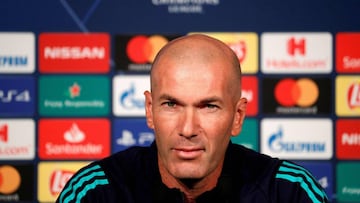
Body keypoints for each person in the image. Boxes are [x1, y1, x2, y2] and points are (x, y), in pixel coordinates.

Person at [56, 34, 328, 203]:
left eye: (208, 106)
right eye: (171, 104)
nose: (188, 129)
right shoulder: (95, 193)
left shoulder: (290, 192)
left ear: (237, 116)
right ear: (150, 110)